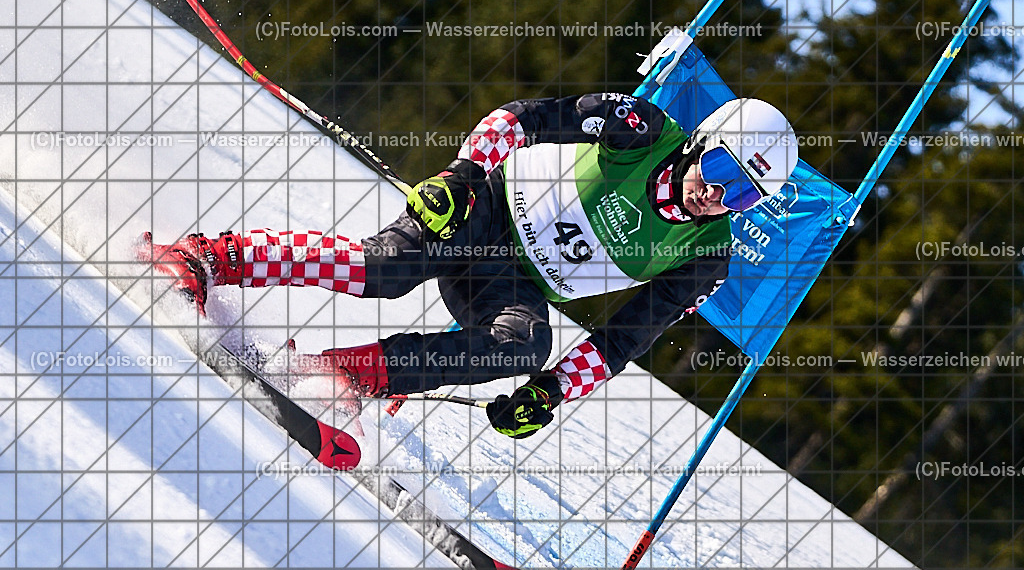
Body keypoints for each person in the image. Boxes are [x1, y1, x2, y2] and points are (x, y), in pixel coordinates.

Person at [142, 94, 798, 439]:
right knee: (389, 268)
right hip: (483, 208)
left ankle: (346, 376)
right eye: (718, 171)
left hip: (513, 280)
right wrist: (462, 175)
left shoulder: (709, 255)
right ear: (700, 145)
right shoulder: (641, 127)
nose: (717, 194)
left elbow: (624, 338)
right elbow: (520, 118)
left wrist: (551, 392)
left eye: (741, 193)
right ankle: (211, 257)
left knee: (525, 343)